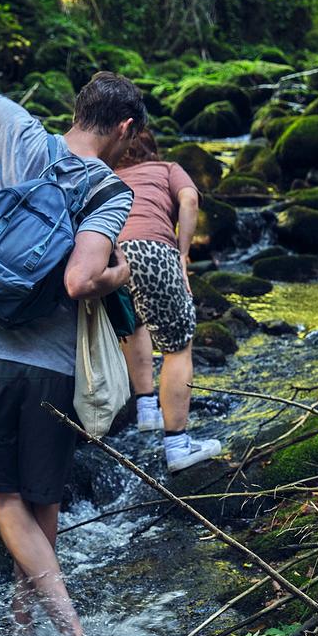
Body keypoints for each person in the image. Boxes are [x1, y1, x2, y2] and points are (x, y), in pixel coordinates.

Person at [0, 0, 145, 636]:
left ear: (75, 111)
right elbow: (84, 279)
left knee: (6, 500)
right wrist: (120, 271)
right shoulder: (109, 190)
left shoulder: (15, 132)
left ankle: (33, 629)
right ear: (122, 128)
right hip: (52, 366)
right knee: (41, 498)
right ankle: (71, 633)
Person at [115, 130, 223, 472]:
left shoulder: (109, 174)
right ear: (153, 151)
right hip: (153, 249)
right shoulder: (167, 168)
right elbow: (189, 200)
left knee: (134, 323)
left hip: (110, 254)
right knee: (178, 348)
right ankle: (178, 446)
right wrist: (183, 252)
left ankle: (147, 408)